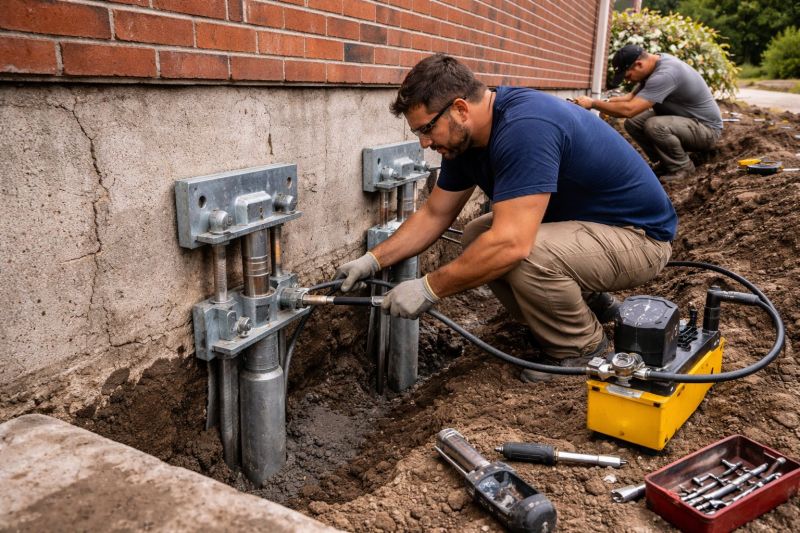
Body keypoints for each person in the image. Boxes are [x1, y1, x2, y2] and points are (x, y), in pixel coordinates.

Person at [336, 54, 677, 378]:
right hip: (590, 229)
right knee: (477, 237)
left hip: (639, 238)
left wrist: (429, 288)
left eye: (426, 129)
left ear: (459, 109)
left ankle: (581, 347)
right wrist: (372, 261)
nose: (424, 143)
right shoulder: (464, 141)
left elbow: (512, 245)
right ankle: (591, 304)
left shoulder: (524, 128)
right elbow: (434, 214)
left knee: (518, 251)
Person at [575, 44, 722, 181]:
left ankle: (682, 168)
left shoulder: (666, 74)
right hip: (686, 122)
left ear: (639, 64)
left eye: (627, 76)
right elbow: (630, 98)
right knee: (634, 123)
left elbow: (629, 109)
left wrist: (593, 104)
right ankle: (665, 162)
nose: (627, 81)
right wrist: (602, 103)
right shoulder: (655, 65)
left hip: (706, 130)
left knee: (655, 125)